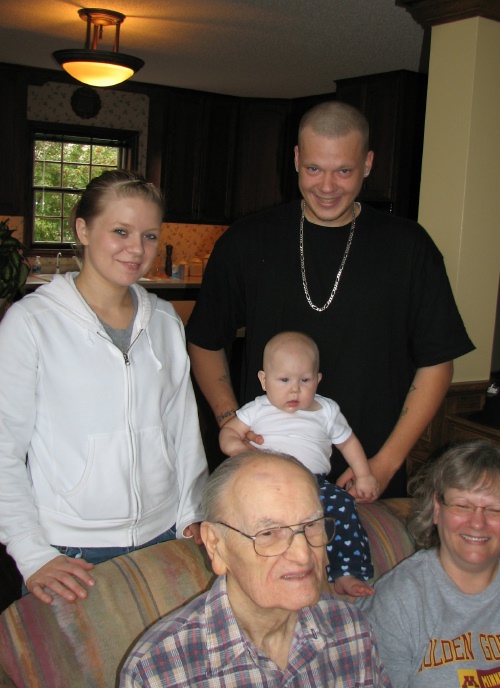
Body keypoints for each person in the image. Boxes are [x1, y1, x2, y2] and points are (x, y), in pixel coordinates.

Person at [186, 100, 474, 497]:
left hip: (368, 475)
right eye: (314, 169)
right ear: (296, 158)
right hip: (262, 475)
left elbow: (437, 363)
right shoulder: (247, 241)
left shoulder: (409, 247)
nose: (326, 187)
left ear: (368, 164)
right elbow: (204, 340)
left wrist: (384, 464)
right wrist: (230, 420)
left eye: (344, 171)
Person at [0, 170, 208, 605]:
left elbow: (183, 430)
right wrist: (32, 553)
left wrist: (193, 514)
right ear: (83, 229)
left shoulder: (166, 321)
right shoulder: (32, 323)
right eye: (120, 231)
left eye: (149, 235)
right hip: (72, 552)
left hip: (164, 534)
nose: (137, 249)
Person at [120, 450, 391, 687]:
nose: (302, 554)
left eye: (311, 525)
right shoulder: (159, 671)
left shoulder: (350, 629)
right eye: (269, 533)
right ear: (216, 546)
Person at [358, 440, 500, 688]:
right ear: (436, 509)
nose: (477, 523)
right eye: (462, 506)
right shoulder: (397, 603)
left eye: (495, 510)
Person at [220, 331, 378, 597]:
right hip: (264, 482)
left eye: (304, 380)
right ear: (264, 380)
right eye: (284, 380)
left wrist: (363, 476)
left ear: (318, 380)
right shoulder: (257, 409)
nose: (295, 389)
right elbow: (228, 432)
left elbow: (348, 442)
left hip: (311, 483)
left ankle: (346, 571)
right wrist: (237, 449)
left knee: (341, 504)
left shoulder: (326, 411)